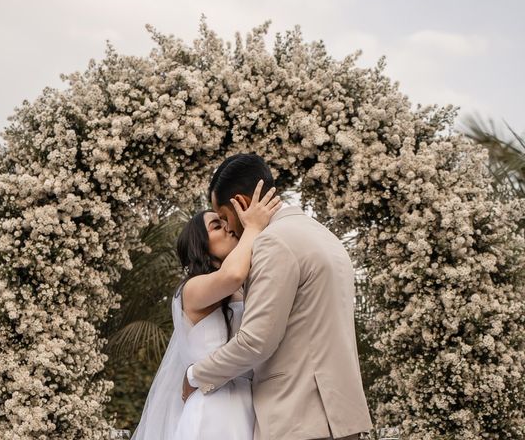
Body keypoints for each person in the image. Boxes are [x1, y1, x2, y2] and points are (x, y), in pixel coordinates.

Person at [182, 153, 373, 440]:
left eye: (223, 217)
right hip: (340, 417)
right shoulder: (323, 236)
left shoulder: (273, 243)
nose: (230, 229)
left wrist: (195, 375)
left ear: (242, 204)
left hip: (298, 417)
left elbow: (256, 341)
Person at [131, 178, 282, 440]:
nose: (228, 227)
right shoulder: (191, 290)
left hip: (251, 406)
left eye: (225, 221)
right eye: (216, 225)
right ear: (200, 245)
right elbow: (232, 274)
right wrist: (254, 226)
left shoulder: (247, 287)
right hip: (213, 407)